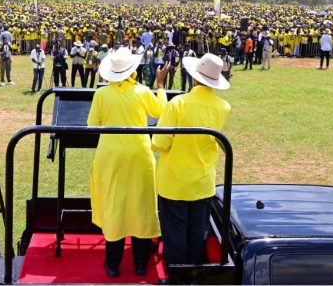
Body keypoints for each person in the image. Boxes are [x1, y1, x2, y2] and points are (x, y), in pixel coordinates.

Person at [87, 47, 169, 277]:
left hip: (111, 158)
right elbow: (160, 110)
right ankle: (141, 263)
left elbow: (93, 124)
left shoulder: (101, 94)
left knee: (115, 206)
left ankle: (113, 264)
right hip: (139, 156)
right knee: (141, 206)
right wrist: (160, 86)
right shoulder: (142, 91)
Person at [153, 53, 231, 271]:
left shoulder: (178, 103)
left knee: (175, 231)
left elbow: (160, 143)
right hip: (202, 180)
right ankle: (195, 274)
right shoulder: (223, 107)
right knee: (198, 232)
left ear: (194, 78)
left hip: (175, 181)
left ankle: (176, 276)